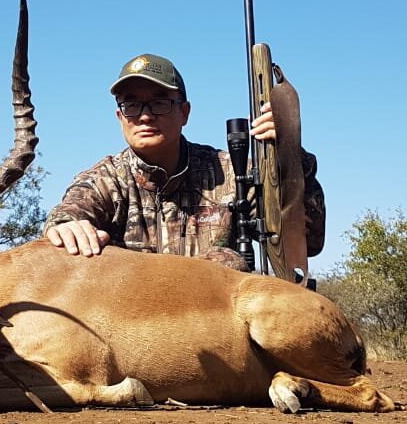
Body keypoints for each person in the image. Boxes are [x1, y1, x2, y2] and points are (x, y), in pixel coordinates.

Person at [44, 53, 324, 271]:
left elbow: (307, 242)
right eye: (131, 105)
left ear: (185, 113)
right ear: (120, 118)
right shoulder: (105, 179)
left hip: (222, 327)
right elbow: (67, 215)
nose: (144, 116)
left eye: (159, 103)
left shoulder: (232, 172)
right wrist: (65, 227)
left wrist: (290, 156)